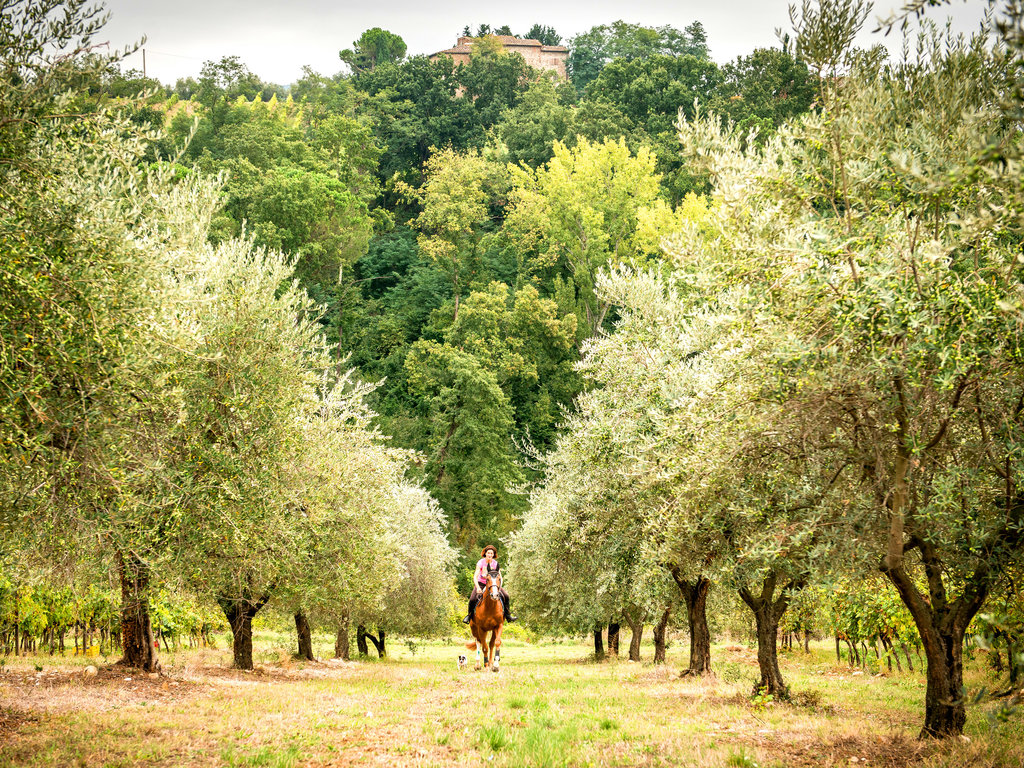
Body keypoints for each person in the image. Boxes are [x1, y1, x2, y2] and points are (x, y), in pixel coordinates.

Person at [463, 544, 516, 623]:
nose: (490, 555)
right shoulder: (480, 562)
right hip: (481, 583)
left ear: (493, 555)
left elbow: (500, 577)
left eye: (491, 553)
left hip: (493, 585)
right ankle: (469, 616)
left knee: (506, 596)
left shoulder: (495, 563)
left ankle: (508, 615)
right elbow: (475, 576)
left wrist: (498, 588)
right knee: (472, 599)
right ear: (485, 553)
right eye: (488, 553)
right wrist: (477, 587)